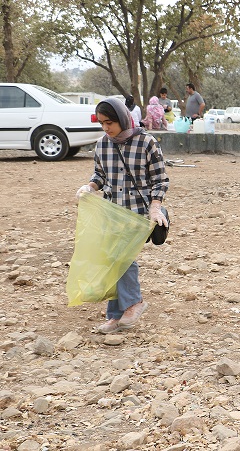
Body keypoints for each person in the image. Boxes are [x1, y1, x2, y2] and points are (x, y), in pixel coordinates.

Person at [75, 97, 169, 334]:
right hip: (111, 213)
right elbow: (99, 175)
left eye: (110, 122)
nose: (106, 128)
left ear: (123, 118)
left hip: (138, 214)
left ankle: (135, 302)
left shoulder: (147, 142)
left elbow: (160, 179)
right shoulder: (102, 145)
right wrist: (90, 187)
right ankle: (116, 316)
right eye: (102, 123)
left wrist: (155, 207)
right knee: (113, 260)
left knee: (122, 258)